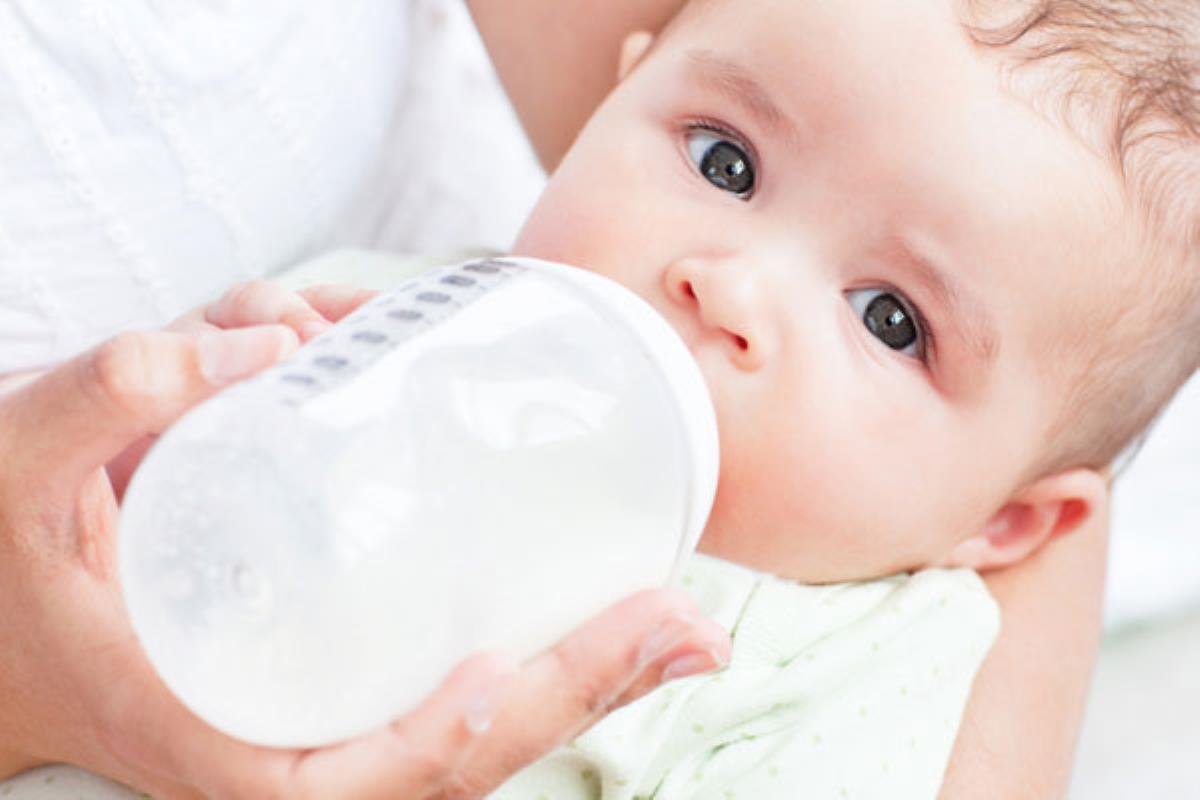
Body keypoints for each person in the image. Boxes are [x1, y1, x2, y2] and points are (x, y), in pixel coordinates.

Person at [0, 0, 1121, 796]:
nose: (727, 283)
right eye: (723, 161)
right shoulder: (378, 314)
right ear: (617, 91)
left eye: (892, 320)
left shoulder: (851, 655)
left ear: (1007, 521)